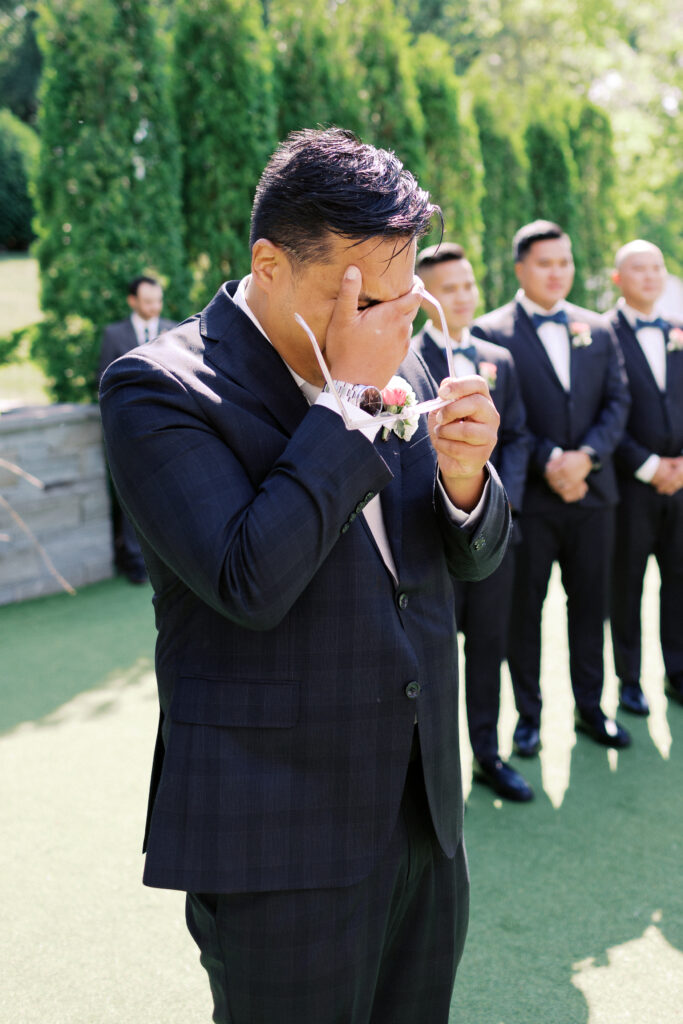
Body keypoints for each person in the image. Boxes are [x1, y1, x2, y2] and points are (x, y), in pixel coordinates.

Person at [99, 129, 510, 1024]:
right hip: (273, 835)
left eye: (401, 300)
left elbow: (464, 560)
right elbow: (248, 580)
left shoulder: (405, 348)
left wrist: (470, 485)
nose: (385, 324)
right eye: (354, 298)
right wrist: (349, 404)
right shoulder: (158, 388)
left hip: (423, 812)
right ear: (270, 263)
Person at [471, 220, 631, 756]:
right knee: (525, 614)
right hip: (531, 504)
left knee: (591, 607)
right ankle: (528, 718)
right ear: (521, 268)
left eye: (564, 261)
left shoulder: (599, 329)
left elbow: (617, 402)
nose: (557, 272)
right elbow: (503, 417)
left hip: (593, 498)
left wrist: (584, 458)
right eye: (545, 263)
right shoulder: (491, 333)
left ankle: (592, 708)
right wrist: (550, 462)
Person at [414, 243, 532, 802]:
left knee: (489, 647)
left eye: (469, 284)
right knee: (430, 662)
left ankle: (488, 754)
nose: (464, 296)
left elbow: (518, 438)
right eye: (450, 287)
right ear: (424, 295)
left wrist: (499, 509)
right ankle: (432, 774)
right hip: (428, 545)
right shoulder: (403, 361)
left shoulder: (498, 358)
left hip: (491, 536)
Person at [607, 239, 683, 714]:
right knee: (627, 583)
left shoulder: (679, 329)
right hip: (629, 485)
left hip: (682, 485)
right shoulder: (599, 334)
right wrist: (650, 466)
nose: (650, 276)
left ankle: (677, 671)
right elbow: (605, 411)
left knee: (679, 579)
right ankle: (629, 680)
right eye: (639, 269)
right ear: (619, 278)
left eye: (656, 268)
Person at [99, 275, 174, 584]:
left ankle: (171, 560)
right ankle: (134, 561)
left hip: (169, 429)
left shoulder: (174, 329)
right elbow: (103, 382)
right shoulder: (113, 335)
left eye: (157, 301)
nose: (154, 307)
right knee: (133, 495)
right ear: (133, 301)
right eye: (147, 302)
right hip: (128, 432)